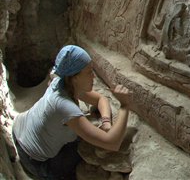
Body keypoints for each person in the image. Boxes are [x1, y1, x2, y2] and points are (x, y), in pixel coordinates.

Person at [12, 45, 132, 180]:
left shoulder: (61, 81)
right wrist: (125, 105)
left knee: (82, 135)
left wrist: (106, 122)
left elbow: (101, 99)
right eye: (89, 72)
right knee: (83, 148)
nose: (93, 76)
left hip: (19, 129)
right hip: (34, 160)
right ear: (74, 77)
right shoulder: (65, 107)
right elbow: (112, 144)